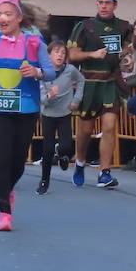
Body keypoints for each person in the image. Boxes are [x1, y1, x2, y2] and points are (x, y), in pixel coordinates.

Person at [0, 0, 56, 230]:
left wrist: (36, 72)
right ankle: (4, 213)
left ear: (19, 17)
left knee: (17, 161)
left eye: (8, 14)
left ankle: (8, 190)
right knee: (2, 159)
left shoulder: (34, 43)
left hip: (26, 108)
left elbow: (50, 72)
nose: (2, 19)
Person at [68, 0, 128, 189]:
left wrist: (128, 59)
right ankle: (80, 162)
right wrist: (92, 55)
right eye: (101, 2)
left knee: (110, 126)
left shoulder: (124, 26)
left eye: (108, 3)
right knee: (85, 130)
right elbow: (72, 55)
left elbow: (129, 50)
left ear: (115, 5)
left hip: (110, 83)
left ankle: (104, 172)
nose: (104, 6)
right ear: (97, 4)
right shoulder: (85, 26)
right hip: (89, 83)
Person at [37, 40, 83, 194]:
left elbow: (82, 80)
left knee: (67, 146)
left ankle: (62, 154)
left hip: (65, 112)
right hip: (48, 113)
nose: (60, 55)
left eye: (63, 52)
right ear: (48, 55)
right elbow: (39, 97)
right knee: (47, 149)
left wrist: (76, 99)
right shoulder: (42, 72)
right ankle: (44, 180)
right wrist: (49, 95)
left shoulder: (70, 70)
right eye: (56, 52)